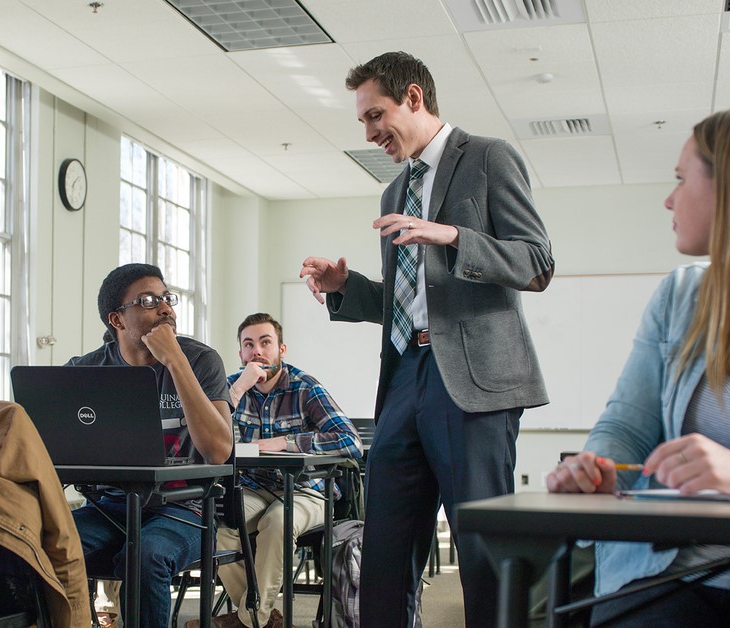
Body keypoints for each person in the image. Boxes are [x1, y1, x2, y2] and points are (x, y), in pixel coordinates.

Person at [299, 51, 555, 627]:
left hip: (472, 382)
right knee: (384, 552)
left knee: (482, 551)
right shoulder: (394, 195)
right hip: (403, 378)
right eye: (362, 122)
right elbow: (406, 300)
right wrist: (346, 287)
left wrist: (451, 235)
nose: (369, 133)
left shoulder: (488, 158)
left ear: (414, 97)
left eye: (376, 115)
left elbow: (536, 263)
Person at [547, 110, 730, 626]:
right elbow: (626, 424)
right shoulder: (681, 295)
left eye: (680, 178)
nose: (669, 199)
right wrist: (595, 467)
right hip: (673, 573)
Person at [67, 263, 233, 627]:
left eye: (165, 297)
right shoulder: (87, 369)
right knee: (46, 542)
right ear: (117, 320)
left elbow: (218, 451)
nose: (165, 308)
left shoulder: (200, 360)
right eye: (146, 300)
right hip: (109, 505)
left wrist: (175, 361)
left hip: (184, 506)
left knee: (144, 556)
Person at [193, 313, 362, 628]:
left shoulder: (304, 387)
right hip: (253, 488)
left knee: (278, 521)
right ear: (241, 354)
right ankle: (262, 618)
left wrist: (287, 442)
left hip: (307, 491)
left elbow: (349, 441)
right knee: (218, 529)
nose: (257, 350)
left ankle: (248, 620)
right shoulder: (230, 387)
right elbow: (199, 441)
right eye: (249, 344)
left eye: (265, 342)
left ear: (281, 349)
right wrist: (237, 390)